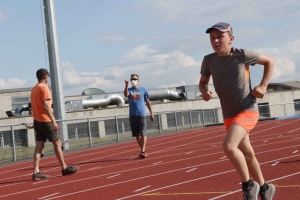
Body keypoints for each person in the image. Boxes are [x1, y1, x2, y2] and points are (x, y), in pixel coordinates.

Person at [199, 22, 276, 200]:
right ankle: (265, 188)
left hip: (247, 109)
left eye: (220, 36)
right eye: (212, 37)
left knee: (229, 146)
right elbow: (203, 81)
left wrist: (263, 85)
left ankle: (248, 185)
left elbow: (269, 62)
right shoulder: (209, 60)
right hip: (229, 113)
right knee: (248, 154)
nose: (216, 40)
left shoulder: (242, 55)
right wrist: (204, 91)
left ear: (231, 39)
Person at [31, 68, 78, 181]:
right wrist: (53, 120)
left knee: (39, 146)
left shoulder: (34, 89)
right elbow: (46, 105)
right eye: (47, 75)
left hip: (37, 120)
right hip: (45, 120)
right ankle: (64, 168)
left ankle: (36, 171)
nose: (48, 77)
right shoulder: (44, 88)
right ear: (44, 76)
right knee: (57, 142)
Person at [124, 74, 154, 158]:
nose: (133, 80)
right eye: (131, 79)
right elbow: (126, 95)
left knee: (143, 133)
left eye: (134, 79)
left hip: (141, 114)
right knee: (137, 135)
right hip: (133, 115)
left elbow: (148, 101)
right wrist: (126, 86)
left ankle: (143, 151)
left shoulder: (143, 89)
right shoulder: (129, 90)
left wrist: (151, 113)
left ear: (138, 80)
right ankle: (143, 150)